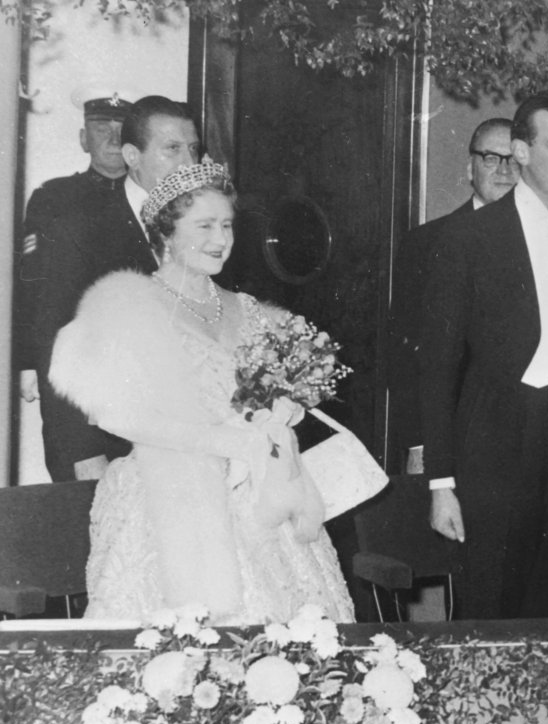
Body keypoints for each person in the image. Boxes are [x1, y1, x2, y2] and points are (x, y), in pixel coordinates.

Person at [48, 158, 354, 624]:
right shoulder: (132, 306)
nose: (221, 239)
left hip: (261, 490)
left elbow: (279, 386)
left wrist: (283, 410)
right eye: (205, 225)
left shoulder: (250, 310)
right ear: (166, 233)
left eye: (227, 225)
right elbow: (115, 415)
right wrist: (222, 441)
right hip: (169, 491)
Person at [419, 93, 548, 619]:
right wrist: (441, 483)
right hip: (496, 444)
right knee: (488, 609)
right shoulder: (469, 236)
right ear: (521, 151)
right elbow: (438, 368)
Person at [27, 94, 200, 481]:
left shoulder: (202, 226)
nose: (189, 164)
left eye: (193, 149)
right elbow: (53, 341)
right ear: (132, 156)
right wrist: (84, 454)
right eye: (172, 149)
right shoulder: (79, 227)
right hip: (105, 447)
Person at [387, 117, 518, 474]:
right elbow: (403, 357)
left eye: (514, 159)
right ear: (470, 168)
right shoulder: (425, 244)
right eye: (491, 158)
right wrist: (419, 445)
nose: (504, 169)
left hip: (527, 442)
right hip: (451, 442)